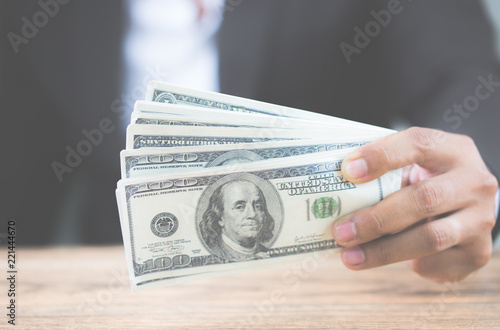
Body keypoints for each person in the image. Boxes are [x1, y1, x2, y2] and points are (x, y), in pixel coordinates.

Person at [2, 0, 499, 282]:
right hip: (120, 297)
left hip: (337, 283)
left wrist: (461, 195)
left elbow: (467, 83)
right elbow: (16, 189)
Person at [199, 179, 275, 261]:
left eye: (258, 206)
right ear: (220, 217)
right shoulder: (213, 252)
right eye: (239, 207)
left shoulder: (271, 254)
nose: (252, 214)